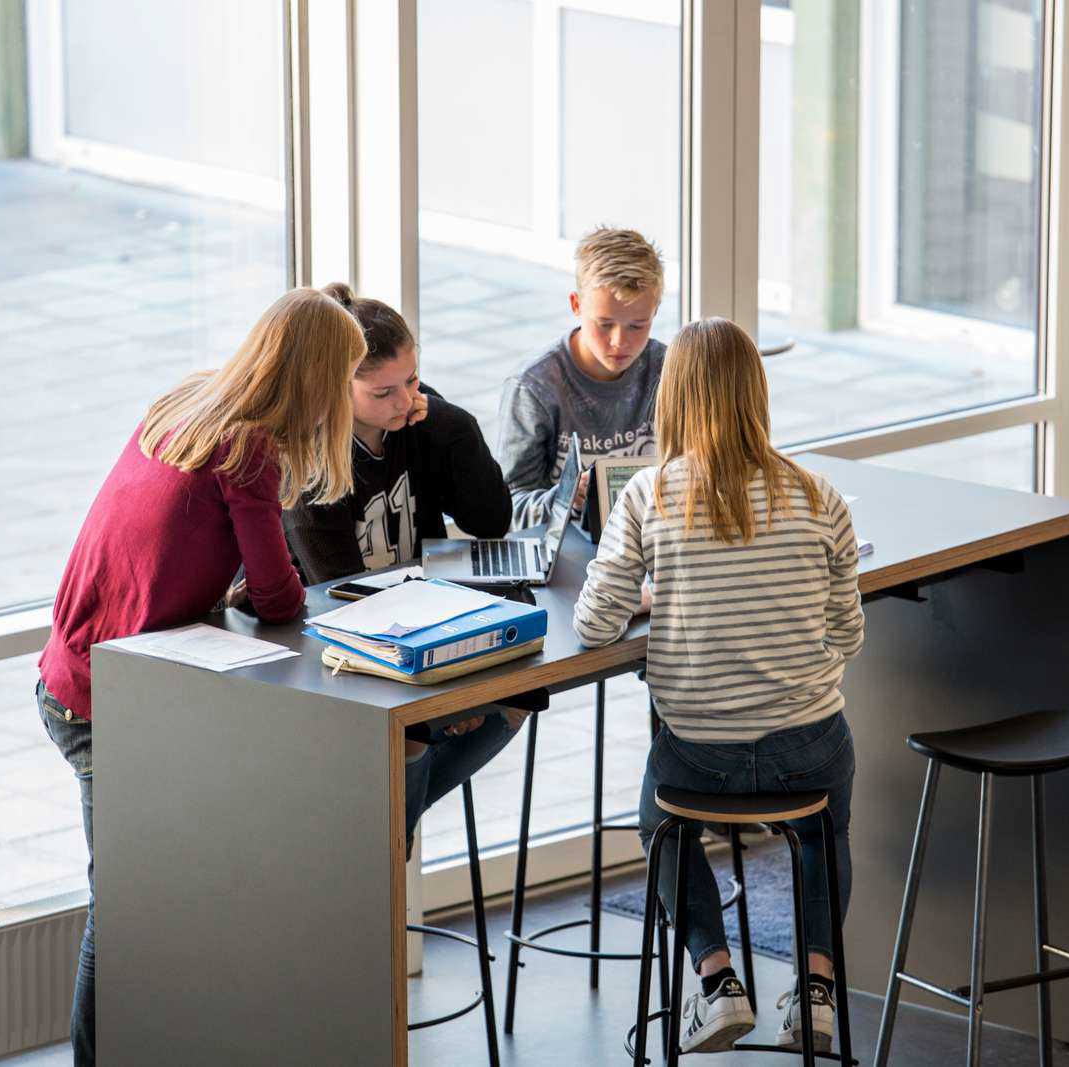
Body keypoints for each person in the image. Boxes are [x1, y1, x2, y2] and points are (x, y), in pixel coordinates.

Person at [35, 288, 366, 1067]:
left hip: (75, 674)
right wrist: (259, 582)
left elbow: (168, 549)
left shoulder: (187, 404)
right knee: (124, 908)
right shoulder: (250, 450)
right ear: (316, 379)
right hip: (110, 706)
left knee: (144, 898)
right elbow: (280, 597)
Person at [573, 317, 864, 1054]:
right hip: (809, 743)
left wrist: (658, 595)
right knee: (822, 831)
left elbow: (594, 625)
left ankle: (717, 979)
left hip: (698, 752)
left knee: (659, 825)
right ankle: (817, 992)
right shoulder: (818, 495)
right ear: (756, 395)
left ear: (673, 398)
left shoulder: (649, 495)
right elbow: (849, 634)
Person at [282, 282, 525, 849]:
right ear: (337, 389)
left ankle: (387, 835)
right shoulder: (312, 461)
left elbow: (491, 519)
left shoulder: (425, 422)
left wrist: (448, 420)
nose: (403, 400)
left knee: (517, 700)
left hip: (423, 627)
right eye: (383, 392)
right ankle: (387, 842)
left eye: (412, 381)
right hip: (343, 652)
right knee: (414, 737)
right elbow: (340, 596)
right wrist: (444, 694)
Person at [497, 226, 668, 530]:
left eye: (637, 325)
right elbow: (511, 507)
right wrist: (565, 498)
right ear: (576, 305)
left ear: (655, 311)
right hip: (568, 548)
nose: (619, 341)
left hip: (651, 541)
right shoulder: (534, 387)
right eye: (605, 324)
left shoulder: (668, 370)